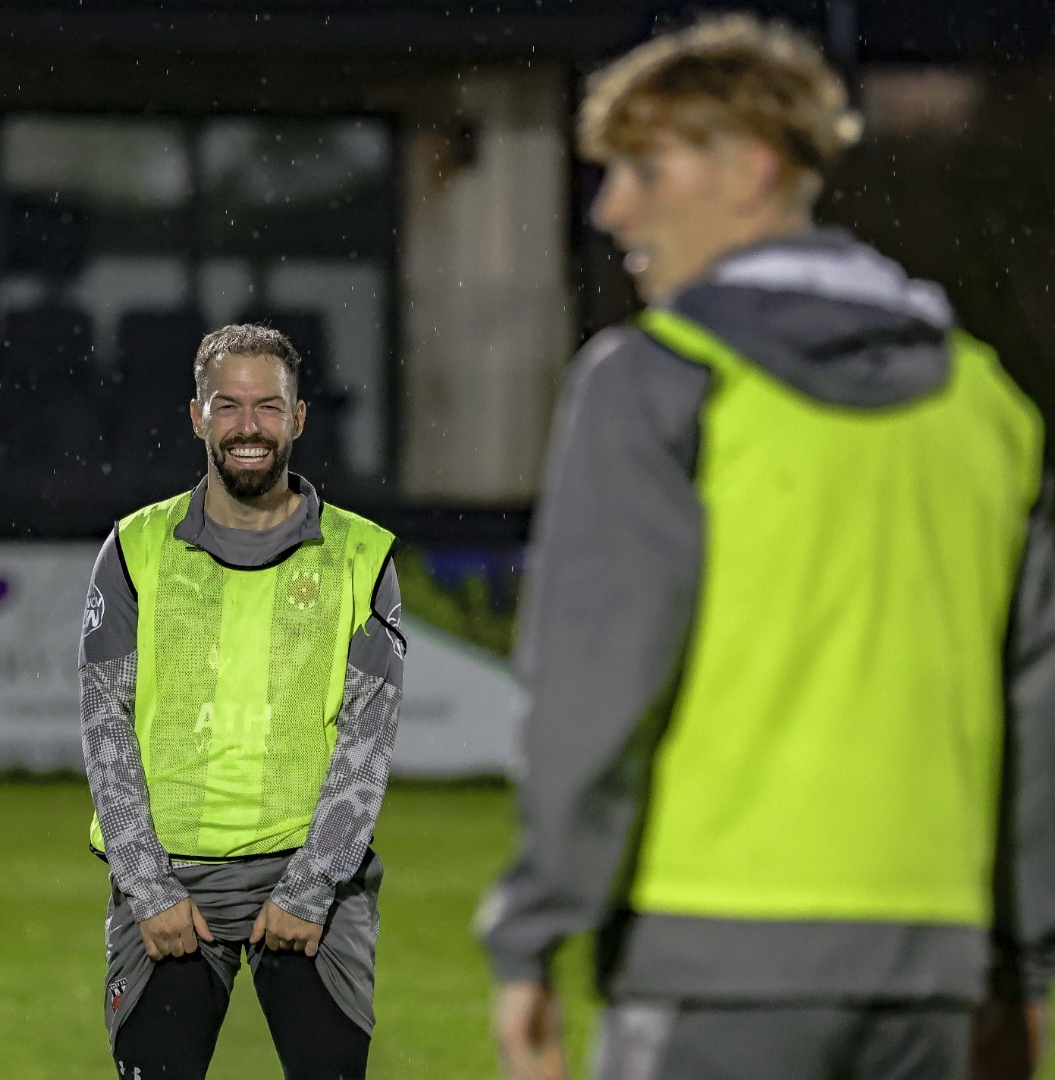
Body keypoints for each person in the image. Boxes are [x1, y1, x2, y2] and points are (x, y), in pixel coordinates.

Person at [477, 14, 1055, 1080]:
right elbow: (1034, 721)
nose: (613, 209)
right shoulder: (986, 405)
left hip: (712, 955)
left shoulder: (655, 381)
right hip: (929, 959)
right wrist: (1018, 971)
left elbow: (595, 688)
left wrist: (531, 933)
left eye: (643, 169)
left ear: (747, 169)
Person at [79, 323, 404, 1080]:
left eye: (268, 407)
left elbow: (368, 739)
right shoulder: (134, 547)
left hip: (312, 884)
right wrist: (150, 890)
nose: (248, 427)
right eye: (228, 407)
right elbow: (105, 728)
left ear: (297, 419)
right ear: (197, 416)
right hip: (168, 885)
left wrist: (312, 886)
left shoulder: (363, 555)